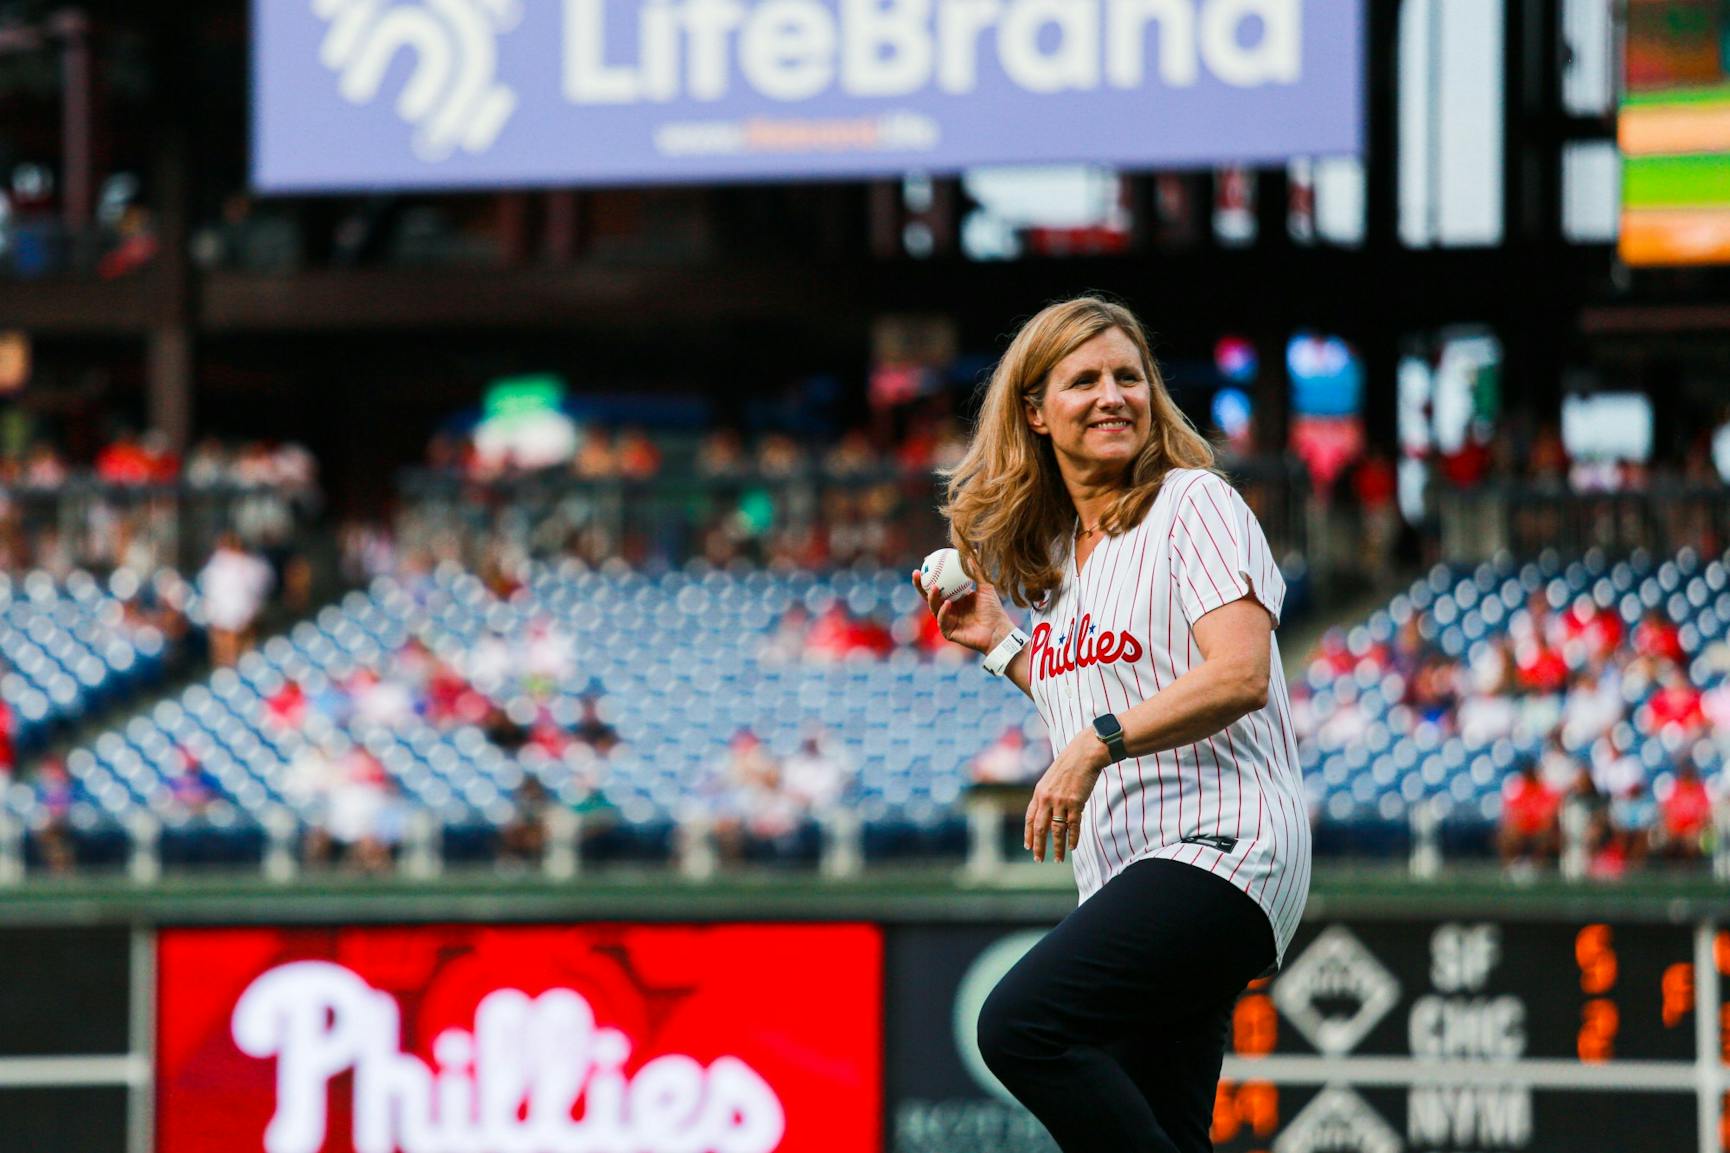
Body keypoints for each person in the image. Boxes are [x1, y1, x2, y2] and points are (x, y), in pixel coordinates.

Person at [915, 296, 1308, 1153]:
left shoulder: (1192, 501)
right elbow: (1090, 695)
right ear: (1034, 411)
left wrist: (1096, 744)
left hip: (1223, 847)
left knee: (1020, 1025)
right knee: (1160, 1124)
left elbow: (1238, 671)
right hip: (1131, 864)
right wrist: (1005, 647)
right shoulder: (1062, 558)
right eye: (1083, 379)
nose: (1112, 395)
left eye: (1128, 376)